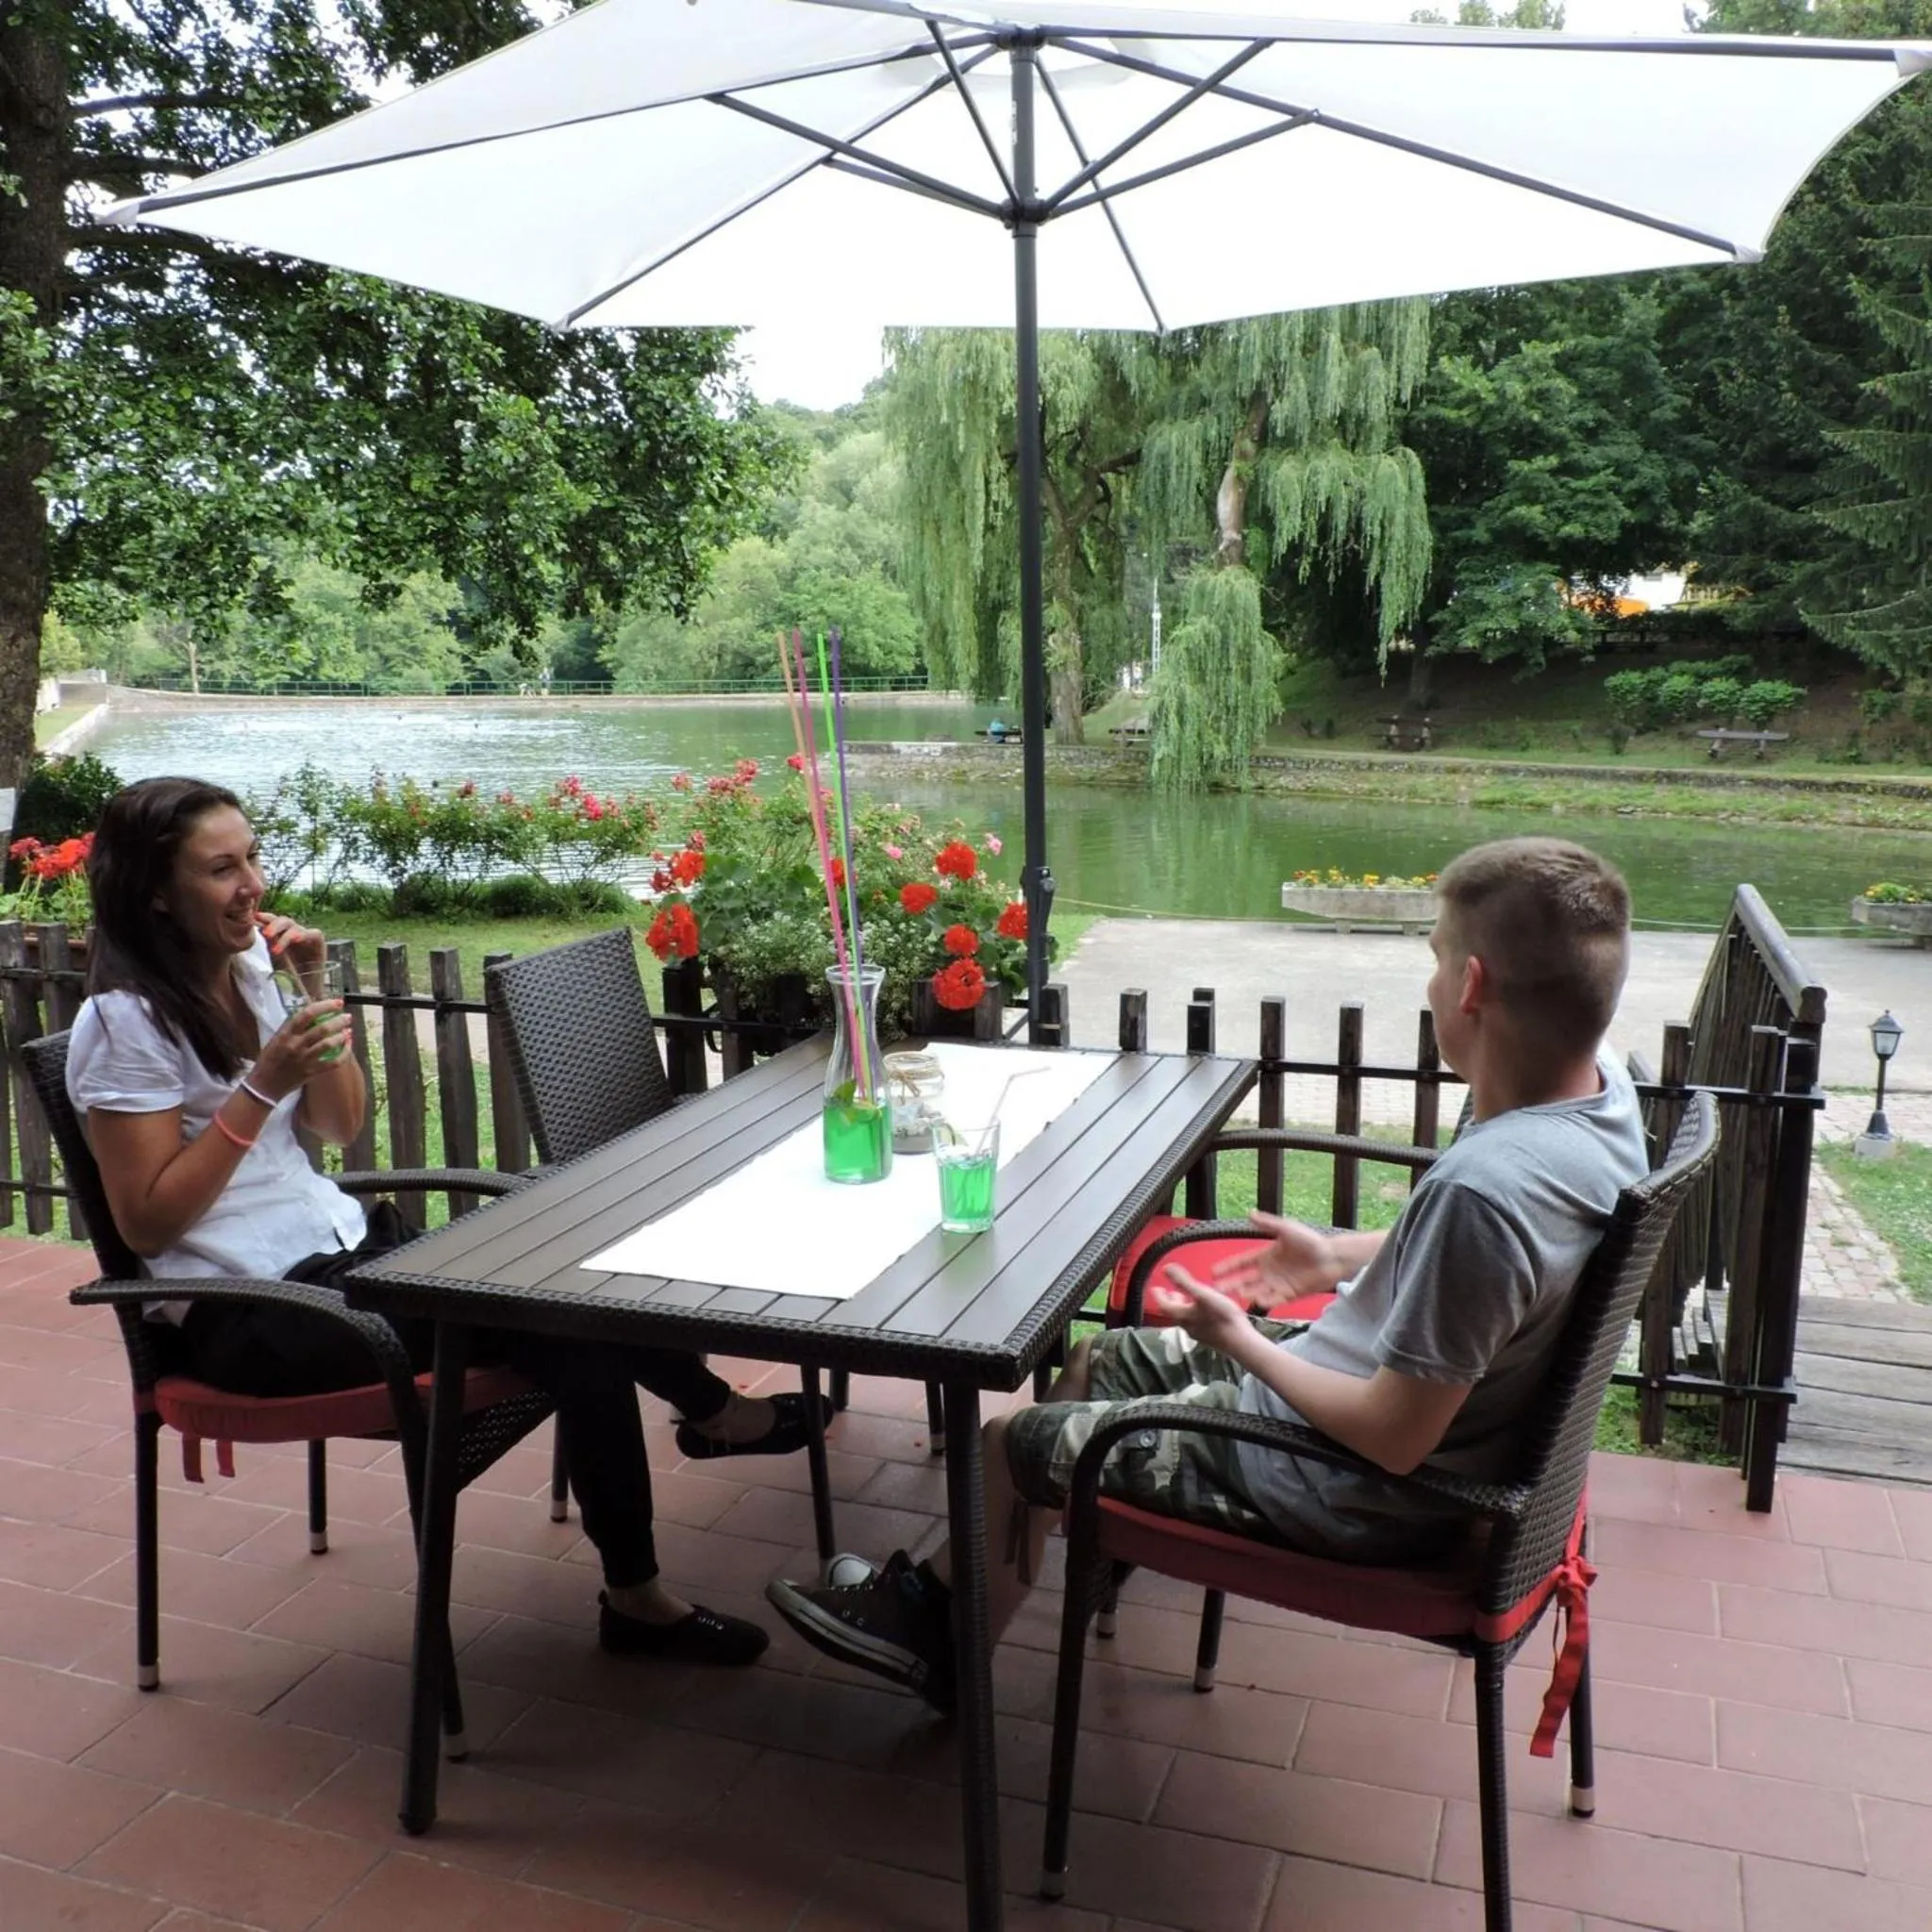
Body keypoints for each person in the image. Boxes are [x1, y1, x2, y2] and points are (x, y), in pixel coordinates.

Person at [765, 836, 1647, 1711]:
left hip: (1346, 1488)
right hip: (1361, 1429)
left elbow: (1393, 1436)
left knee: (1008, 1441)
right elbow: (1487, 1266)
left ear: (1471, 987)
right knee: (1095, 1366)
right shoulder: (1594, 1107)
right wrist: (1334, 1255)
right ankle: (1014, 1597)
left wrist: (1238, 1342)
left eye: (1436, 959)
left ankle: (932, 1636)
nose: (1430, 985)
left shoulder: (1486, 1193)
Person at [72, 775, 824, 1666]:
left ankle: (665, 1527)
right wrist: (261, 1083)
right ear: (155, 891)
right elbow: (150, 1224)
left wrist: (310, 991)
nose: (254, 886)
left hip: (342, 1255)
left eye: (254, 858)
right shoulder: (123, 1024)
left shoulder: (249, 976)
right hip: (251, 1311)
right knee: (558, 1318)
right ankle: (680, 1493)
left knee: (561, 1287)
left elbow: (338, 1125)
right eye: (222, 869)